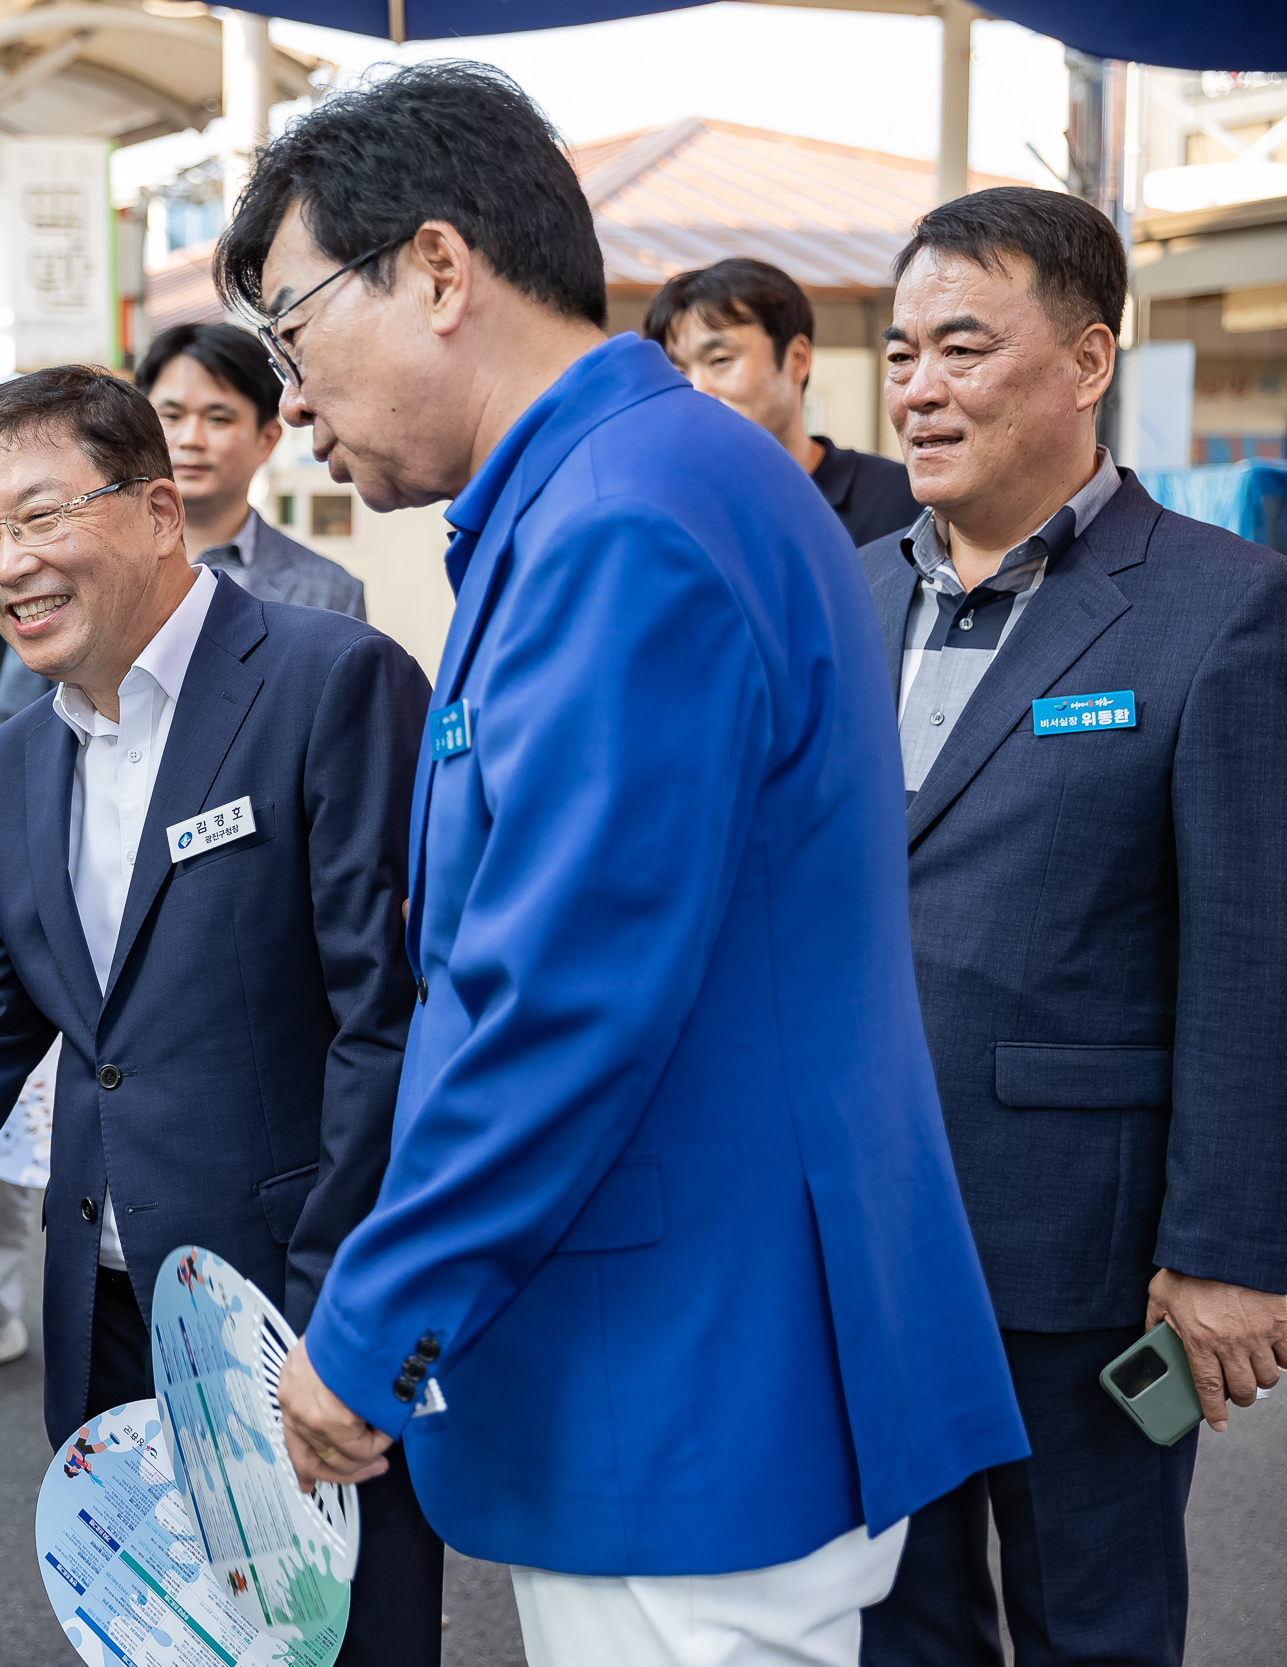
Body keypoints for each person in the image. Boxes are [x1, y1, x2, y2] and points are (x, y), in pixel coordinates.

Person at [222, 62, 1030, 1667]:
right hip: (695, 1345)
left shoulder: (621, 523)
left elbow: (559, 997)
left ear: (440, 271)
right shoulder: (633, 487)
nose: (293, 397)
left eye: (295, 329)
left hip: (687, 1376)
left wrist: (376, 1317)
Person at [0, 365, 445, 1664]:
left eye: (41, 516)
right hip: (103, 1305)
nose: (3, 563)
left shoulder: (329, 683)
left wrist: (341, 1311)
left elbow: (384, 1023)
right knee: (161, 1637)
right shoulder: (19, 753)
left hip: (292, 1302)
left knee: (343, 1634)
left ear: (161, 509)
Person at [850, 188, 1287, 1667]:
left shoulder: (1223, 611)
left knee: (1094, 1628)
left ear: (1088, 361)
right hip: (857, 1234)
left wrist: (1228, 1248)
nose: (918, 385)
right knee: (893, 1632)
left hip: (1087, 1264)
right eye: (900, 350)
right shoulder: (838, 602)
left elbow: (1254, 951)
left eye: (962, 346)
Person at [644, 257, 920, 546]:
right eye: (677, 371)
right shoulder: (667, 512)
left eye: (720, 360)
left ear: (797, 359)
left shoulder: (900, 502)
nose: (697, 391)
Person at [140, 321, 365, 614]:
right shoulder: (95, 563)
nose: (190, 440)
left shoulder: (330, 594)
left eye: (218, 419)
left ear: (267, 440)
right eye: (171, 416)